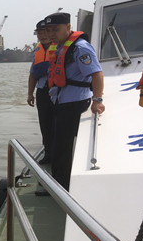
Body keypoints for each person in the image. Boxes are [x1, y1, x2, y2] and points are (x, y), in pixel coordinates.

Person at [45, 12, 105, 191]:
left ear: (68, 27)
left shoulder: (80, 48)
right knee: (59, 145)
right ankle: (61, 184)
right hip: (62, 101)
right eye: (49, 30)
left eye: (56, 29)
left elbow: (97, 73)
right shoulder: (61, 47)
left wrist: (97, 100)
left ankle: (60, 189)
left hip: (74, 103)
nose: (52, 34)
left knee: (61, 148)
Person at [27, 20, 55, 164]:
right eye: (39, 32)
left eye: (45, 31)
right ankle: (48, 153)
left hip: (59, 92)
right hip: (42, 91)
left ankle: (60, 153)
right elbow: (33, 73)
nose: (42, 35)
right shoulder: (37, 50)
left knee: (59, 124)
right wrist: (30, 93)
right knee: (45, 124)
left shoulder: (60, 47)